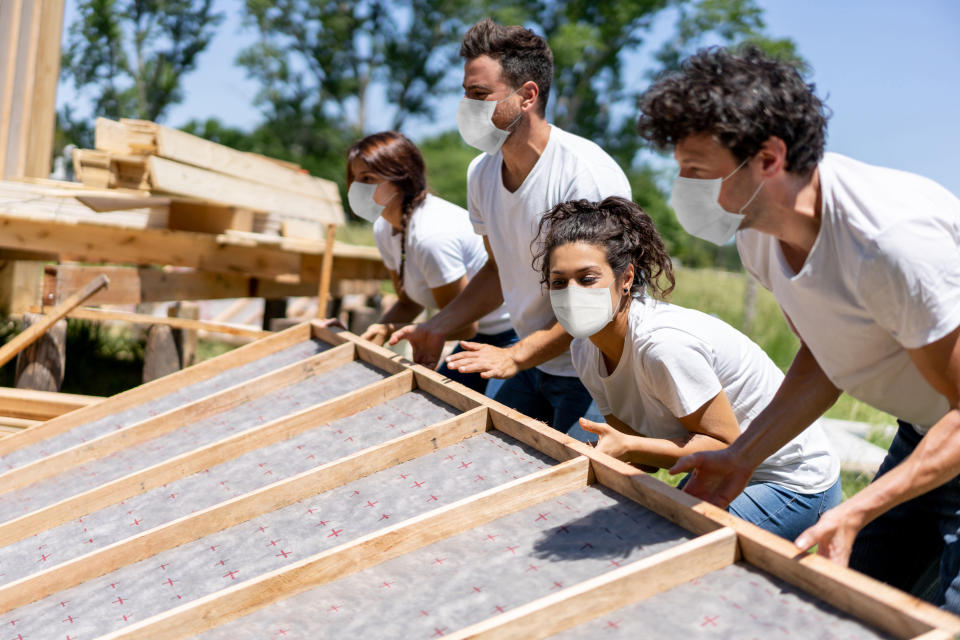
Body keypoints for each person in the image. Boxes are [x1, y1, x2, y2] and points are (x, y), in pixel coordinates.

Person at [636, 45, 960, 610]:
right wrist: (742, 457)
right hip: (928, 434)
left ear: (768, 158)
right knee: (849, 600)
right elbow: (822, 354)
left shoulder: (889, 243)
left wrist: (858, 506)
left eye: (696, 170)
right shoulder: (758, 235)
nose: (681, 186)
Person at [535, 196, 840, 539]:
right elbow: (640, 452)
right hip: (717, 472)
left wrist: (628, 450)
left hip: (788, 479)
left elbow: (724, 446)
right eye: (559, 282)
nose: (571, 293)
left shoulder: (663, 346)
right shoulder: (584, 350)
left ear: (626, 278)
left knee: (671, 547)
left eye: (587, 278)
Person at [388, 19, 632, 441]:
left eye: (480, 95)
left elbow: (599, 301)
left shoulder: (585, 177)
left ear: (528, 96)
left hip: (597, 370)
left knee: (574, 492)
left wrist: (517, 354)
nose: (467, 106)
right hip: (528, 358)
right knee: (481, 455)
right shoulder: (481, 173)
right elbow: (498, 269)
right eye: (465, 93)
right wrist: (437, 326)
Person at [346, 131, 515, 394]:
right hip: (474, 336)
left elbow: (464, 325)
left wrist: (395, 330)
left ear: (401, 179)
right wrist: (377, 333)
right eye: (354, 179)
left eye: (368, 179)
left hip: (508, 336)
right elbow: (407, 301)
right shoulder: (384, 227)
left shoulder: (431, 236)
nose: (356, 188)